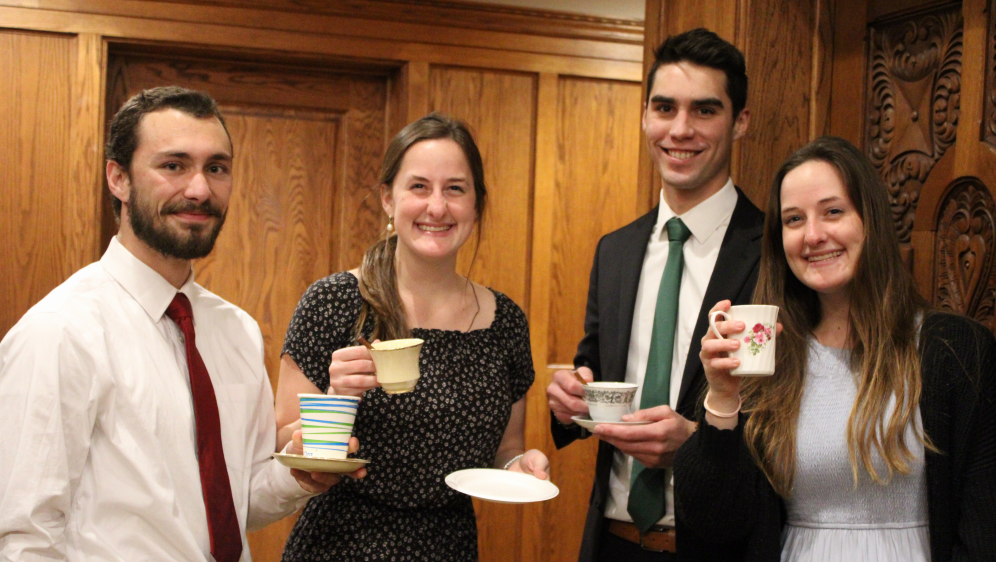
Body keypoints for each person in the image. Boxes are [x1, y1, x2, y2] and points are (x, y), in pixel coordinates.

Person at [0, 86, 361, 561]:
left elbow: (238, 501)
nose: (199, 189)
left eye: (216, 168)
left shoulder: (237, 331)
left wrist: (301, 472)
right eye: (173, 165)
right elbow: (24, 536)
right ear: (118, 179)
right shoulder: (60, 331)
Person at [675, 136, 996, 561]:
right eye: (793, 219)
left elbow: (984, 529)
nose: (813, 235)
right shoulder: (767, 356)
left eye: (833, 212)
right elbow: (714, 524)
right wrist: (721, 398)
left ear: (870, 220)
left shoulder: (956, 350)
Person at [273, 112, 550, 561]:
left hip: (450, 547)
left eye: (455, 189)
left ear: (477, 203)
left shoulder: (505, 323)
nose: (436, 207)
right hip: (338, 547)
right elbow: (283, 441)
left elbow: (506, 449)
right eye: (419, 187)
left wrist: (519, 467)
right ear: (388, 198)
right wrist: (335, 396)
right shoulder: (333, 301)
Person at [546, 28, 763, 561]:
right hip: (613, 543)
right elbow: (594, 368)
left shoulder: (775, 254)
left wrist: (700, 444)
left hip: (722, 545)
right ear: (645, 116)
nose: (680, 130)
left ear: (740, 122)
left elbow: (797, 420)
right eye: (664, 108)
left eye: (704, 111)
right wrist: (570, 399)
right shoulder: (615, 252)